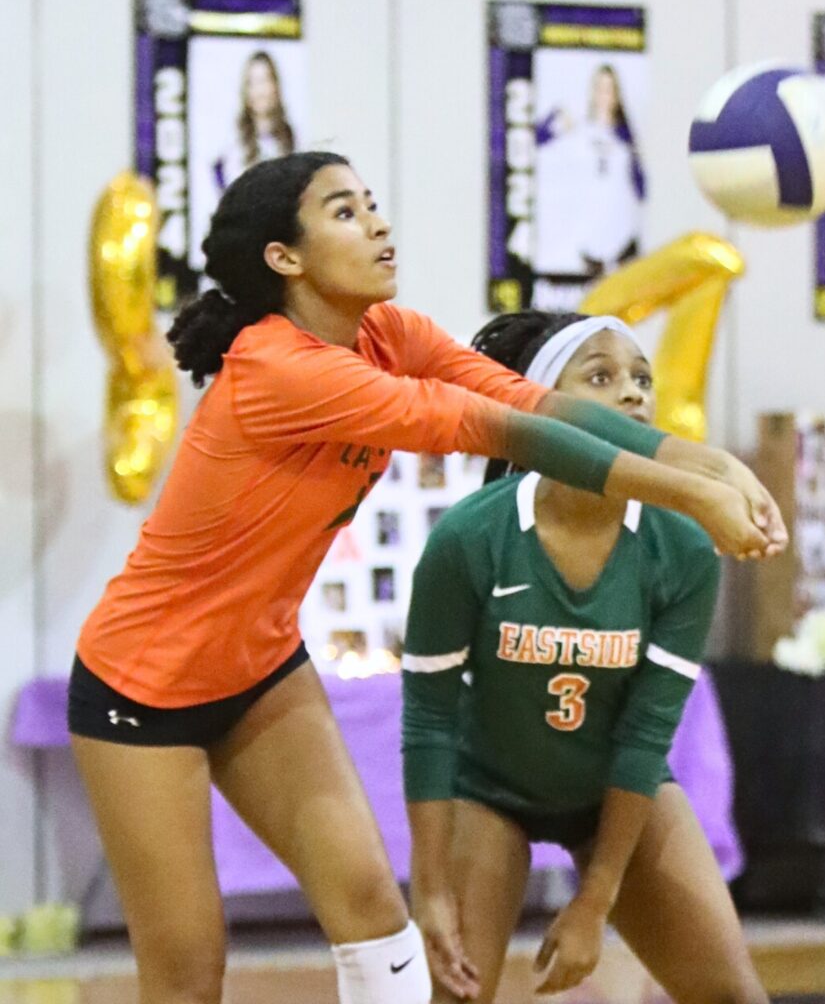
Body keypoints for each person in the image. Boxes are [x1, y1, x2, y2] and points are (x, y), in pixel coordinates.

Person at [70, 150, 784, 1004]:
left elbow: (531, 402)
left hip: (259, 669)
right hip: (141, 685)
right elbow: (501, 433)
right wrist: (694, 495)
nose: (376, 221)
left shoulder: (389, 336)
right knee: (188, 974)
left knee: (377, 918)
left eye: (372, 202)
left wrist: (708, 463)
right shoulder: (280, 368)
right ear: (283, 259)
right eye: (344, 211)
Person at [402, 310, 769, 1004]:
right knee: (451, 994)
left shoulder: (683, 547)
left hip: (617, 790)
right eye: (601, 377)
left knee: (734, 994)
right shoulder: (471, 536)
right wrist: (428, 890)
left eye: (641, 378)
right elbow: (428, 722)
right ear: (548, 405)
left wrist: (593, 904)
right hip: (490, 793)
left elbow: (646, 733)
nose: (633, 394)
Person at [535, 64, 645, 276]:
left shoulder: (625, 137)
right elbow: (534, 139)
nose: (605, 96)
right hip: (590, 244)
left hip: (623, 240)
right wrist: (557, 123)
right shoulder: (580, 129)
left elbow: (641, 188)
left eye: (610, 90)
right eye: (600, 89)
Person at [212, 50, 297, 193]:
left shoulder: (292, 138)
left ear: (275, 85)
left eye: (264, 81)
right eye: (252, 83)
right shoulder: (233, 143)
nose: (259, 91)